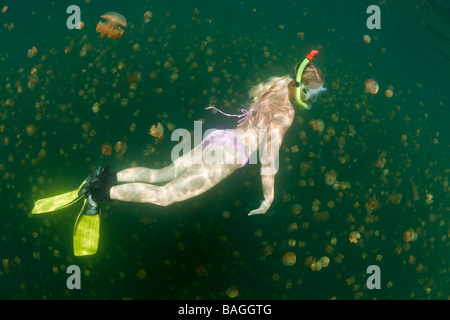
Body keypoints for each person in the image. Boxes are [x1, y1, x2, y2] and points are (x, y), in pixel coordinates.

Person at [32, 50, 326, 256]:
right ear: (302, 89)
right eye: (313, 94)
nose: (312, 99)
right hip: (228, 157)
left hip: (219, 138)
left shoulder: (279, 83)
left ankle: (104, 175)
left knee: (163, 173)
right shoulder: (285, 111)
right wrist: (268, 197)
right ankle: (98, 195)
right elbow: (268, 159)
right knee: (165, 196)